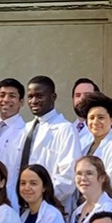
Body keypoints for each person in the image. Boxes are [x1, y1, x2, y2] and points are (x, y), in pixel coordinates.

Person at [13, 76, 81, 211]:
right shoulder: (25, 129)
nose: (33, 101)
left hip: (51, 206)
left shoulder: (65, 129)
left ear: (53, 97)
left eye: (39, 96)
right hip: (22, 206)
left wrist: (40, 199)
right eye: (30, 96)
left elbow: (68, 177)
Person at [77, 93, 112, 204]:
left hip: (107, 206)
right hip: (85, 205)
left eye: (101, 117)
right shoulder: (86, 147)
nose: (95, 122)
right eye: (91, 118)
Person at [70, 77, 100, 143]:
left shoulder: (107, 131)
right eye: (78, 95)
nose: (81, 99)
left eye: (87, 95)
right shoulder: (68, 129)